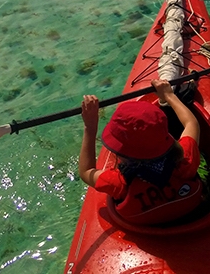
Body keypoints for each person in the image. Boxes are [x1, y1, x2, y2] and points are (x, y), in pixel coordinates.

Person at [79, 79, 203, 225]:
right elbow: (191, 123)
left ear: (122, 154)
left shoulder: (119, 183)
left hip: (146, 232)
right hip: (192, 214)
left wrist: (90, 126)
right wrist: (169, 96)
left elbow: (86, 171)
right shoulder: (184, 160)